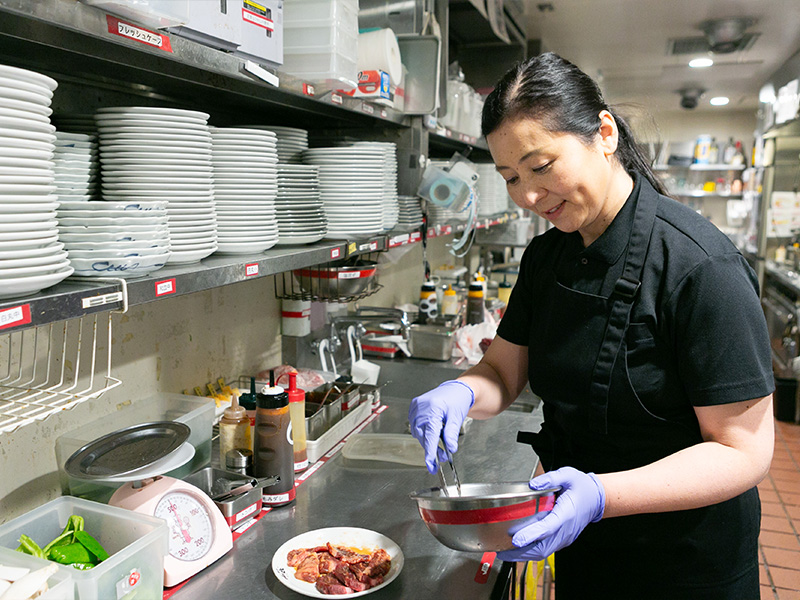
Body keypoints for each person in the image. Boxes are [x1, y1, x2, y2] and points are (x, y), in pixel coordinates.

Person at [408, 52, 774, 599]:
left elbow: (743, 452)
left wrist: (601, 494)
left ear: (604, 133)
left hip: (685, 562)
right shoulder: (546, 258)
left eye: (539, 166)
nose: (528, 196)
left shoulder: (700, 267)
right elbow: (503, 373)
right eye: (509, 177)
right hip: (582, 541)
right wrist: (461, 390)